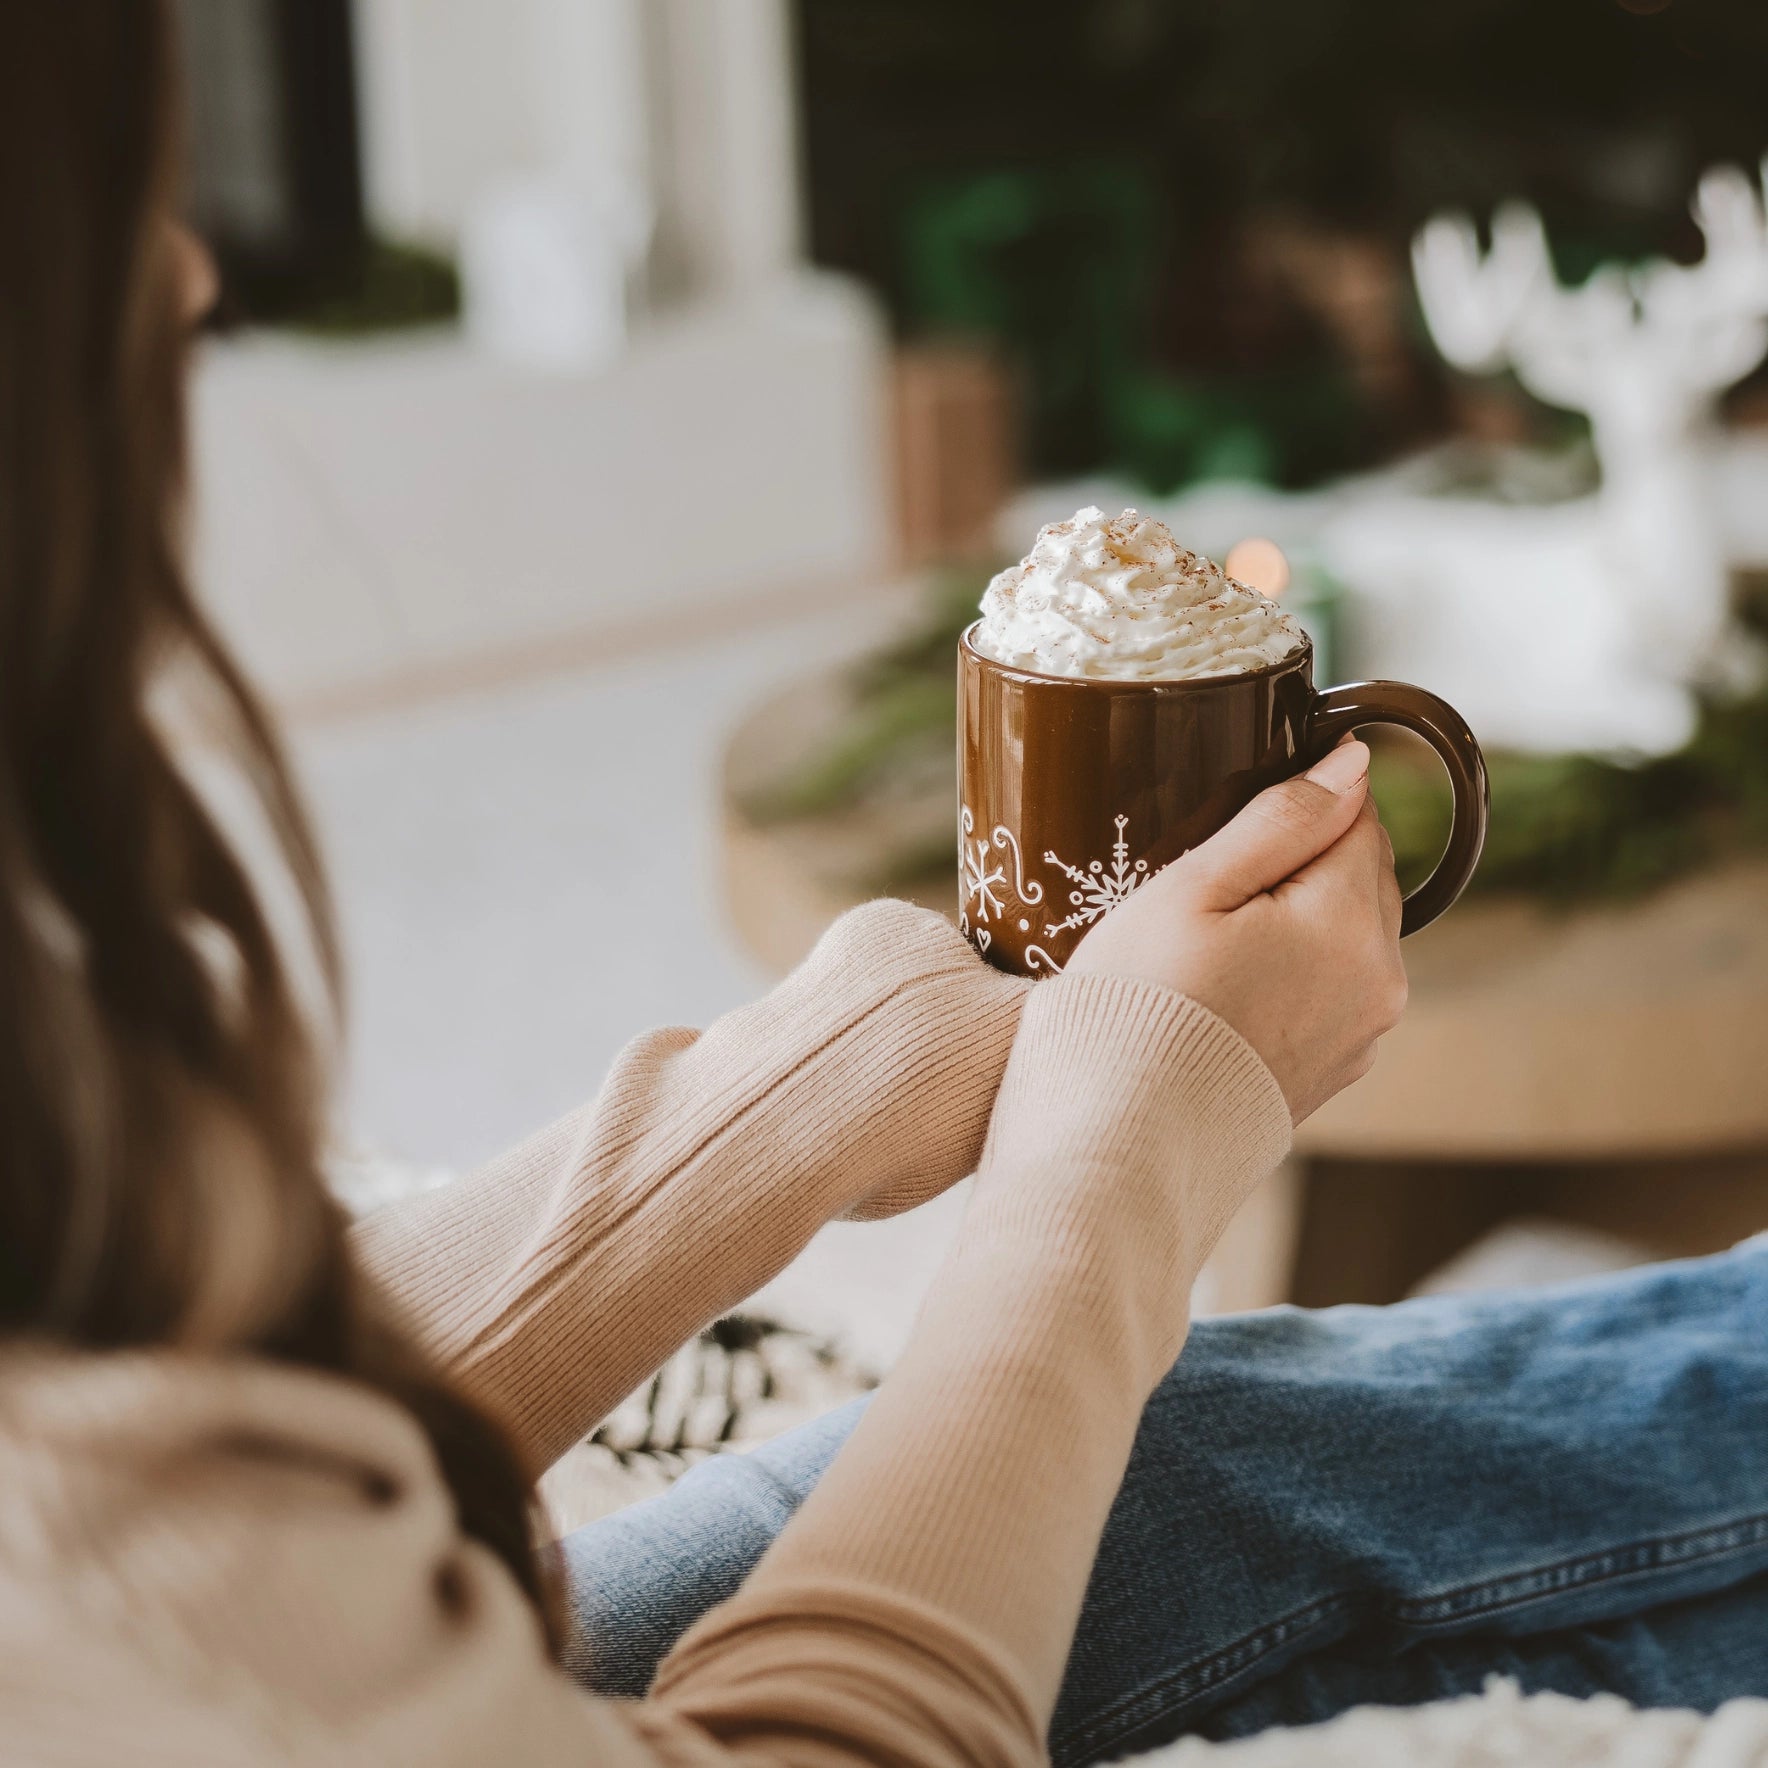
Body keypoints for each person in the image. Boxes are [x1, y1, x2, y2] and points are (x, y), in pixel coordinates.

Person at [1, 6, 1763, 1764]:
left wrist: (803, 1086)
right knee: (1211, 1450)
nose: (178, 280)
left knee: (1206, 1433)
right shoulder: (97, 1585)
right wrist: (1113, 1177)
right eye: (90, 211)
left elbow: (205, 1428)